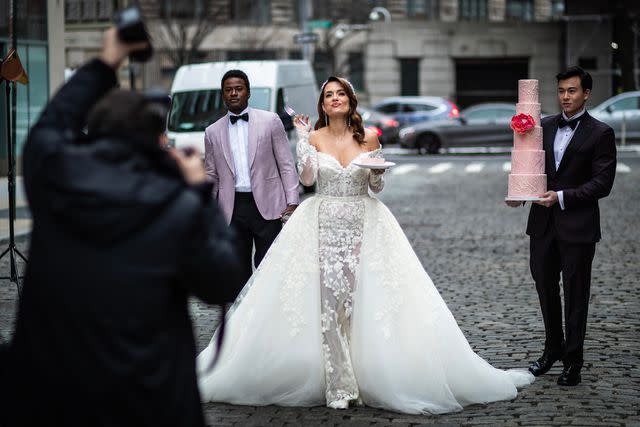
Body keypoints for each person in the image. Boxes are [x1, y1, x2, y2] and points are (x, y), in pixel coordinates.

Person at [196, 76, 534, 414]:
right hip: (324, 220)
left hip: (365, 222)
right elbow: (308, 180)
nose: (335, 99)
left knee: (363, 300)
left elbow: (378, 186)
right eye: (328, 95)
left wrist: (375, 170)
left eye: (340, 93)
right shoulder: (313, 137)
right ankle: (338, 383)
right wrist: (303, 143)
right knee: (329, 302)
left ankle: (368, 371)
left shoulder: (369, 137)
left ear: (350, 100)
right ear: (323, 104)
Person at [2, 28, 241, 426]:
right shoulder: (179, 205)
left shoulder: (55, 178)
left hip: (54, 399)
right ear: (155, 140)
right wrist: (200, 190)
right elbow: (223, 278)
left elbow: (49, 126)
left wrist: (106, 60)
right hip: (151, 398)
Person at [507, 66, 617, 386]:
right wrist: (521, 194)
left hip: (578, 226)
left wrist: (563, 197)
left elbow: (602, 183)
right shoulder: (542, 127)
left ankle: (573, 360)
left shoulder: (601, 133)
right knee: (545, 289)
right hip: (542, 225)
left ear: (586, 94)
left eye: (571, 91)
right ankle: (552, 348)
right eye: (561, 91)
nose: (565, 97)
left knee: (576, 293)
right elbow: (529, 167)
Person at [204, 70, 299, 294]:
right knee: (238, 271)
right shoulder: (212, 132)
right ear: (223, 95)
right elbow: (211, 174)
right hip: (232, 208)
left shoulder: (270, 121)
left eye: (238, 88)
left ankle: (270, 314)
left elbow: (286, 163)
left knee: (270, 266)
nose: (233, 93)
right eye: (228, 90)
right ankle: (243, 320)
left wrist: (292, 200)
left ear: (248, 92)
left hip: (270, 206)